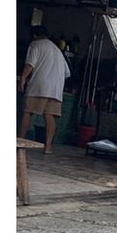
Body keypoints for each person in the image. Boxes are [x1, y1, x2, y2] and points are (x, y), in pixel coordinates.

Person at [18, 25, 71, 154]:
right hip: (55, 89)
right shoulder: (57, 50)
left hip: (39, 86)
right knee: (49, 116)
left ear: (34, 35)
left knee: (27, 112)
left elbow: (30, 64)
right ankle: (48, 148)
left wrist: (23, 78)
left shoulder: (36, 45)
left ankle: (19, 143)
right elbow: (67, 73)